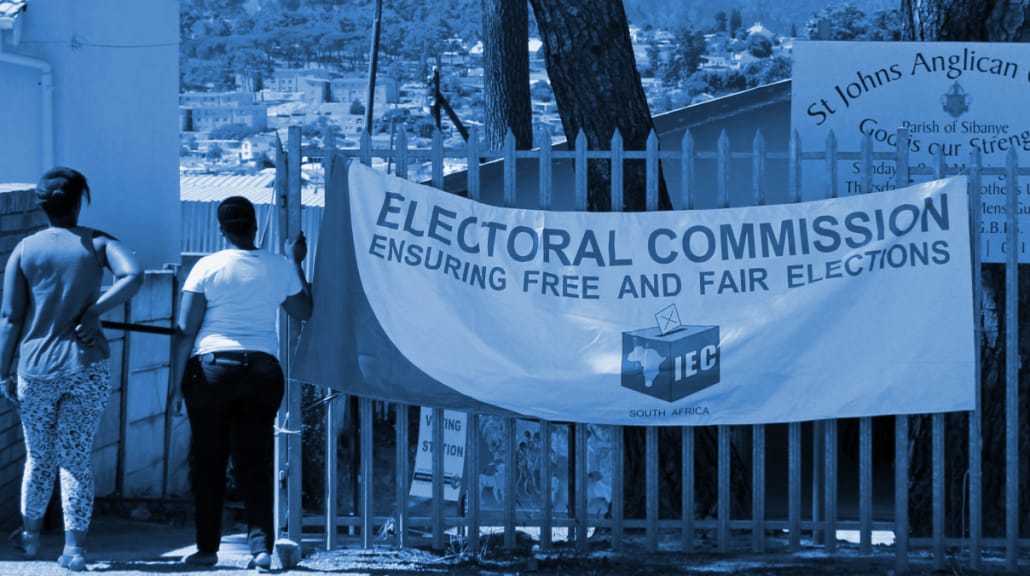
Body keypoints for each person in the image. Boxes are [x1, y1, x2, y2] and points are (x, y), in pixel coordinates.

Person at [0, 167, 143, 571]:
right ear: (79, 201)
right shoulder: (97, 243)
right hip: (87, 366)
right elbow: (135, 275)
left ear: (41, 205)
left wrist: (3, 372)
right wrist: (95, 311)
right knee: (75, 458)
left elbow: (10, 317)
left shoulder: (25, 250)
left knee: (38, 457)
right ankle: (75, 549)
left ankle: (29, 537)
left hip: (36, 369)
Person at [171, 195, 312, 571]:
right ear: (253, 226)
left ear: (221, 229)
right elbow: (304, 311)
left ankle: (206, 550)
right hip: (263, 371)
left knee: (209, 461)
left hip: (212, 369)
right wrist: (296, 260)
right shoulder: (279, 266)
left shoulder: (206, 267)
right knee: (253, 462)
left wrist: (174, 385)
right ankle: (261, 550)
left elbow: (185, 329)